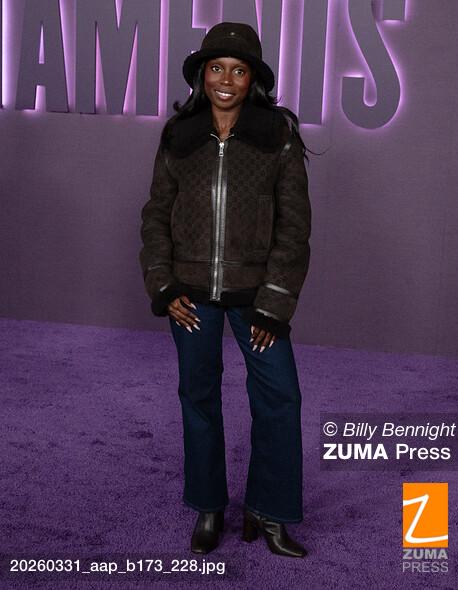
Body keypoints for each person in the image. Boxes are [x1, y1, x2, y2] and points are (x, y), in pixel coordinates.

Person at [139, 22, 312, 558]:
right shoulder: (179, 135)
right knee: (198, 397)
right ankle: (209, 507)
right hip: (191, 296)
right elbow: (155, 216)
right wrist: (163, 284)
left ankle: (270, 511)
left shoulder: (277, 137)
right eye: (217, 68)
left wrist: (274, 302)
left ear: (252, 79)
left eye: (239, 71)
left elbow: (294, 229)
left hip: (256, 296)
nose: (226, 80)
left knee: (280, 398)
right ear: (202, 75)